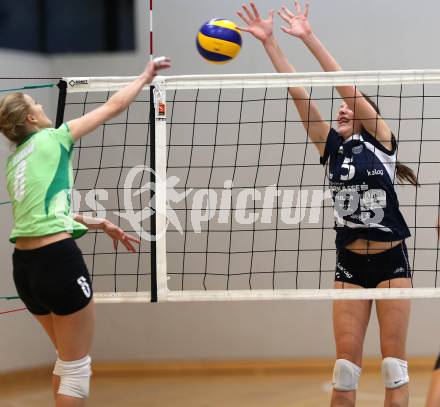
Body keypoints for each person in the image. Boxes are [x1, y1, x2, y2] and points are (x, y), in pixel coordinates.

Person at [236, 2, 417, 406]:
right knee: (345, 371)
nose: (342, 108)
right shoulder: (332, 149)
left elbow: (344, 84)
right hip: (350, 264)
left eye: (350, 107)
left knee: (394, 368)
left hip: (392, 263)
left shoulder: (383, 144)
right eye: (340, 108)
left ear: (366, 114)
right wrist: (270, 43)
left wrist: (308, 37)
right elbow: (298, 92)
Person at [0, 56, 170, 406]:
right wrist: (145, 76)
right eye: (35, 104)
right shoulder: (53, 138)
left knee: (67, 360)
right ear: (31, 119)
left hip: (25, 268)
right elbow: (113, 105)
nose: (42, 105)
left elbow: (46, 214)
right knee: (76, 367)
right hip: (56, 262)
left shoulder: (15, 160)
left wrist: (99, 222)